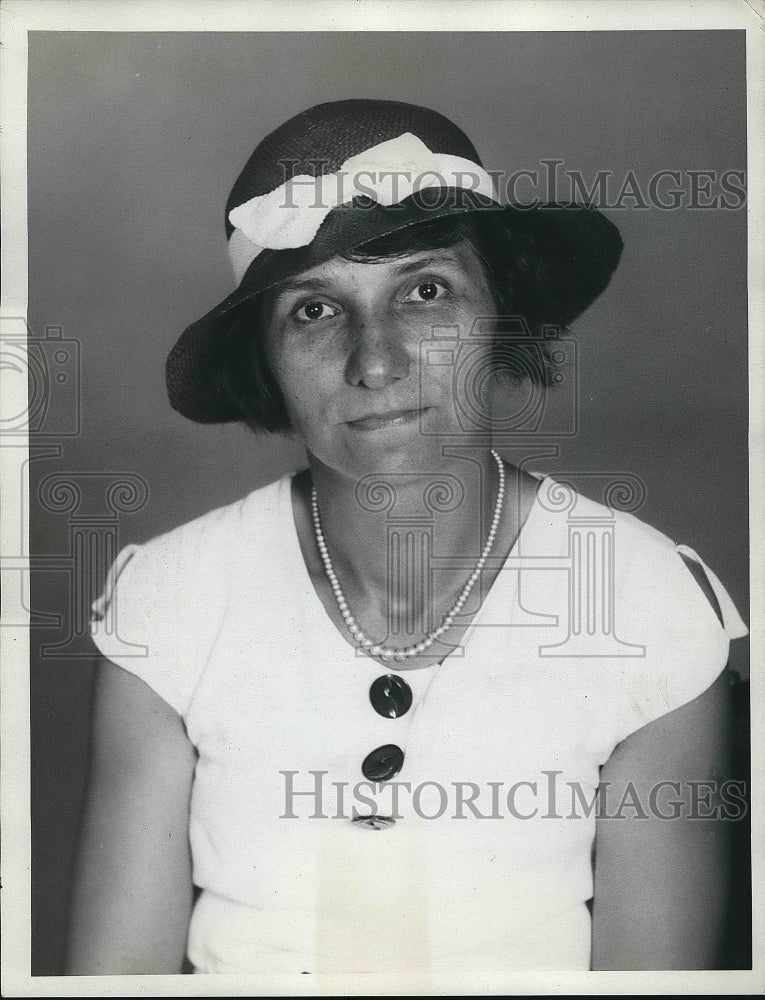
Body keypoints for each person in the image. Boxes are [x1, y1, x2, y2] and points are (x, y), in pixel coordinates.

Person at [66, 99, 748, 975]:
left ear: (499, 314)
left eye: (425, 292)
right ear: (263, 361)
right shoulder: (167, 604)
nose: (375, 362)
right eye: (313, 310)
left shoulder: (643, 604)